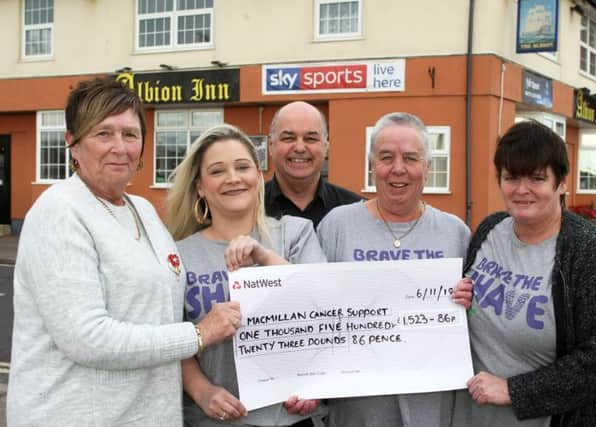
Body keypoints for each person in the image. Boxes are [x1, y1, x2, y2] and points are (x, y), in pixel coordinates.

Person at [7, 77, 240, 426]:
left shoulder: (143, 209)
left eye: (130, 134)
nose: (120, 147)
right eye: (104, 133)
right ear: (72, 143)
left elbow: (161, 308)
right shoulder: (59, 211)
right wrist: (199, 334)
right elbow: (88, 338)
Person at [452, 120, 596, 426]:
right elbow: (474, 298)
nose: (522, 190)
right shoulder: (489, 230)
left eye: (537, 178)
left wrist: (515, 390)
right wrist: (464, 297)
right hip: (471, 415)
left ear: (562, 183)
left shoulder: (594, 257)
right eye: (511, 177)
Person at [317, 112, 472, 427]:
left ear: (427, 167)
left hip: (431, 405)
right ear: (372, 164)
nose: (397, 169)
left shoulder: (455, 232)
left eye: (411, 158)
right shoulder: (337, 225)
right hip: (358, 407)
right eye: (386, 157)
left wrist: (470, 303)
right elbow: (312, 307)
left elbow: (475, 324)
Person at [166, 124, 327, 427]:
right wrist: (202, 392)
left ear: (257, 176)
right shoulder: (177, 254)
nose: (233, 178)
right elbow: (171, 334)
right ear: (200, 186)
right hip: (212, 420)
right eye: (217, 171)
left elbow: (319, 305)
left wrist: (263, 256)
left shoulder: (295, 233)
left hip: (291, 418)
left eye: (242, 167)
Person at [265, 101, 362, 228]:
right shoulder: (247, 207)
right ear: (271, 146)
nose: (300, 148)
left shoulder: (356, 211)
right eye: (288, 138)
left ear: (326, 147)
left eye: (311, 138)